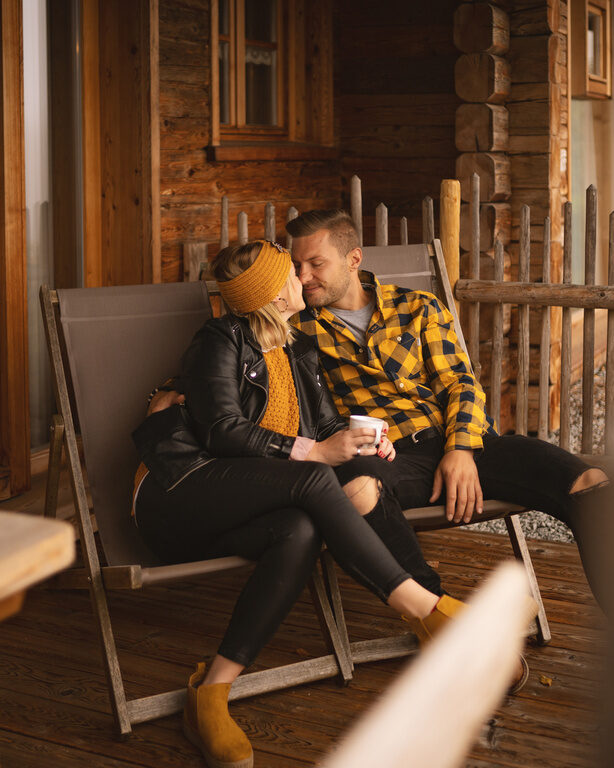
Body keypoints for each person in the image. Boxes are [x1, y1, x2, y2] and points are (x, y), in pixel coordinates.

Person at [133, 240, 528, 768]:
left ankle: (210, 693)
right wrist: (316, 452)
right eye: (290, 273)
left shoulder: (297, 346)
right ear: (276, 293)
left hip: (249, 500)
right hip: (180, 491)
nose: (302, 276)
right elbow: (221, 430)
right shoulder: (220, 338)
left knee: (299, 529)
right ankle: (427, 610)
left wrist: (367, 441)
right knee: (316, 483)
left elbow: (320, 428)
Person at [284, 209, 611, 610]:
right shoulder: (294, 328)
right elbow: (240, 365)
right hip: (390, 459)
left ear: (354, 259)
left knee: (589, 483)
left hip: (464, 444)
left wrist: (460, 450)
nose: (302, 277)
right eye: (296, 265)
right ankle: (437, 614)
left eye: (315, 264)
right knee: (355, 488)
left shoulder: (418, 306)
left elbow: (459, 382)